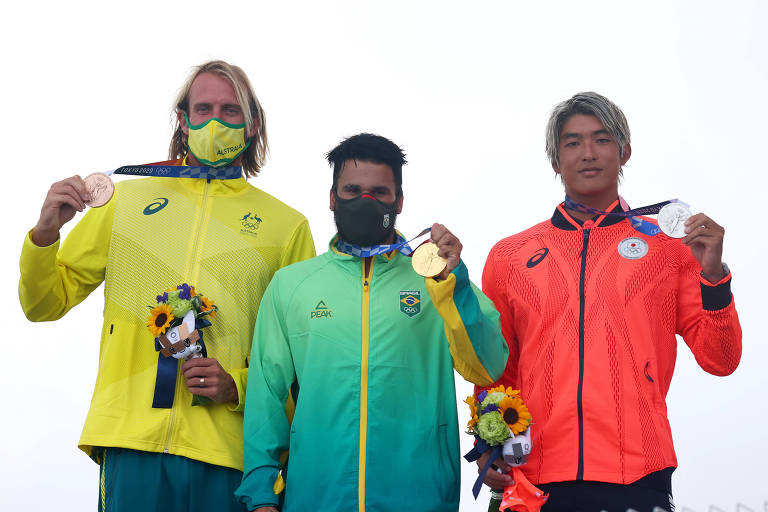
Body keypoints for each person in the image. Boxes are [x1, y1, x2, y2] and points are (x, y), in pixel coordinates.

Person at [18, 60, 316, 512]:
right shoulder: (124, 201)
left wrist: (237, 386)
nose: (216, 120)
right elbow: (42, 304)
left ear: (253, 124)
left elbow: (302, 363)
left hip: (229, 455)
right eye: (204, 108)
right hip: (129, 439)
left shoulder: (286, 227)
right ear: (184, 120)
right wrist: (44, 237)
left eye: (231, 110)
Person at [478, 92, 742, 511]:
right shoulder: (510, 256)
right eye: (572, 142)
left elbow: (721, 359)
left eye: (601, 140)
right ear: (554, 160)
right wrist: (488, 443)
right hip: (535, 477)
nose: (588, 153)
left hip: (639, 472)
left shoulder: (669, 247)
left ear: (625, 153)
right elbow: (496, 366)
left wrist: (714, 277)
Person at [234, 133, 509, 512]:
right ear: (332, 198)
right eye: (352, 190)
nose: (366, 202)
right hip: (317, 497)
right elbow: (267, 395)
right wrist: (262, 494)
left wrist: (454, 284)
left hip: (419, 497)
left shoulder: (438, 279)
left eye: (379, 192)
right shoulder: (292, 285)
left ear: (399, 200)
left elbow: (486, 367)